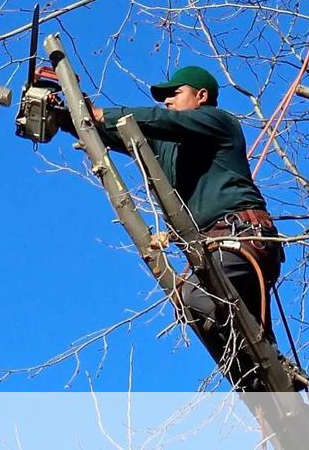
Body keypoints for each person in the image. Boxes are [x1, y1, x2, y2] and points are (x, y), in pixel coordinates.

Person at [60, 66, 284, 389]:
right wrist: (72, 116)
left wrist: (100, 113)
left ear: (201, 96)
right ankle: (272, 388)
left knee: (194, 296)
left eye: (174, 94)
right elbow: (123, 133)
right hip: (217, 253)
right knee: (241, 357)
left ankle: (270, 371)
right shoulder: (169, 147)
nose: (167, 102)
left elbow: (162, 122)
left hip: (241, 238)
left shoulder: (218, 122)